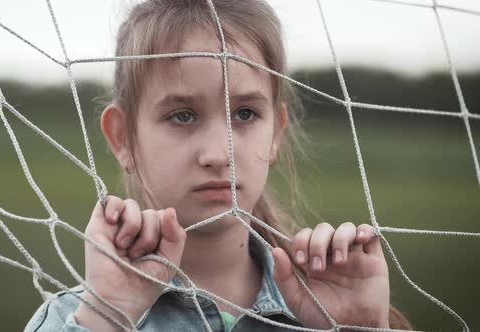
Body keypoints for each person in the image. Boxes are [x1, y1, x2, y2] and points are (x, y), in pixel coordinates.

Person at [25, 0, 411, 331]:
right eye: (182, 116)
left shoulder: (326, 307)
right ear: (123, 138)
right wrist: (107, 316)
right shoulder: (73, 318)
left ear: (275, 132)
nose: (218, 154)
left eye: (244, 113)